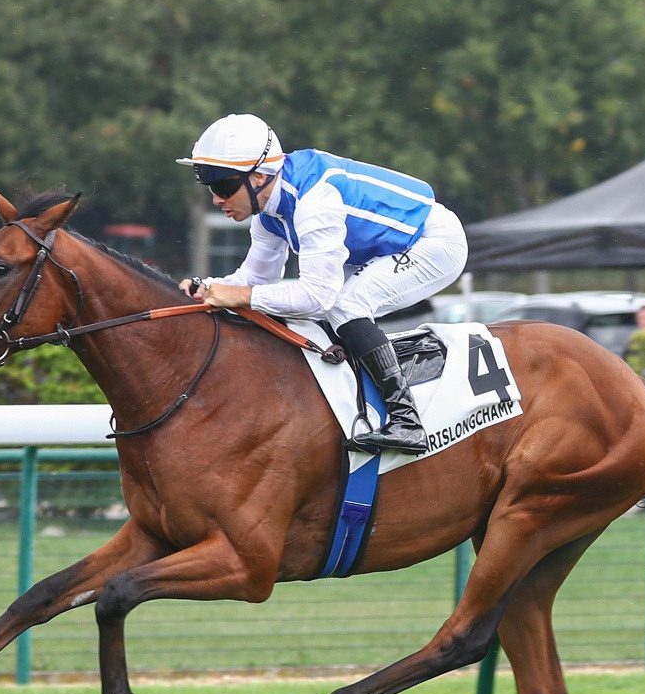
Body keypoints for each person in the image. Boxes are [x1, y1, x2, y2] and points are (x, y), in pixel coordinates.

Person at [176, 113, 468, 453]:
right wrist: (209, 288)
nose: (216, 199)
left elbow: (317, 295)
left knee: (345, 305)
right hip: (387, 249)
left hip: (433, 242)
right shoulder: (269, 213)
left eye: (223, 186)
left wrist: (240, 295)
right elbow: (254, 281)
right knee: (309, 308)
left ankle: (407, 421)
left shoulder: (313, 202)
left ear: (258, 177)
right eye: (210, 187)